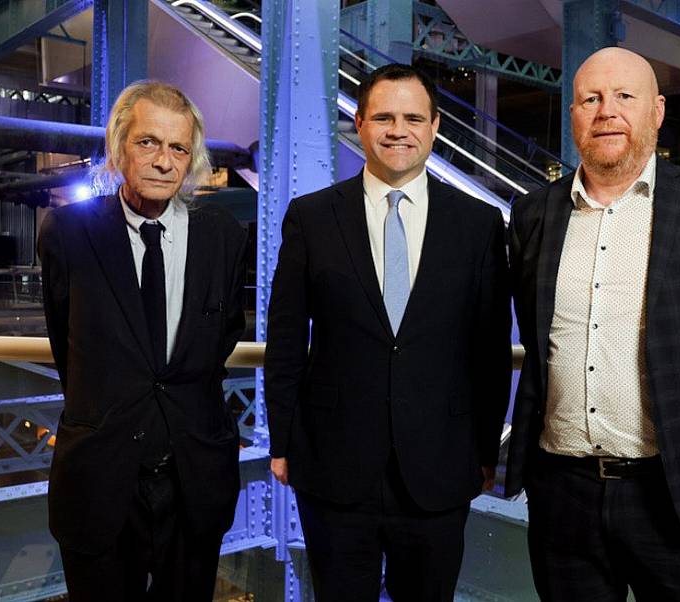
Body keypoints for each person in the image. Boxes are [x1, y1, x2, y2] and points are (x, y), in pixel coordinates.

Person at [505, 47, 680, 601]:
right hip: (562, 496)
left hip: (673, 497)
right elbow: (535, 340)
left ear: (657, 111)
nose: (607, 111)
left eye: (625, 96)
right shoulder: (533, 213)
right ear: (574, 115)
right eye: (591, 99)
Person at [264, 63, 512, 602]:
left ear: (435, 126)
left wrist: (485, 448)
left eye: (413, 118)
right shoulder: (311, 218)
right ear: (359, 123)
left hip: (440, 465)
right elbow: (285, 340)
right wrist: (281, 440)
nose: (398, 130)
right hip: (332, 465)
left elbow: (489, 351)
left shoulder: (479, 225)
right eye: (383, 117)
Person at [38, 81, 247, 601]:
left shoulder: (223, 235)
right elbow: (69, 347)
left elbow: (220, 342)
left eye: (178, 148)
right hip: (100, 476)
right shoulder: (68, 232)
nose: (163, 161)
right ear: (118, 145)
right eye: (148, 142)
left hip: (193, 477)